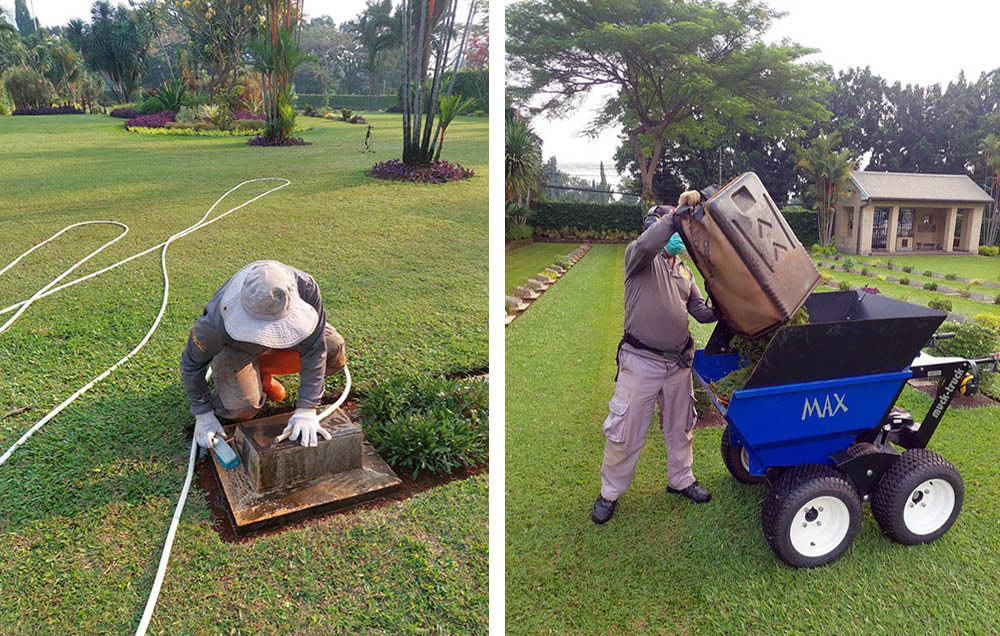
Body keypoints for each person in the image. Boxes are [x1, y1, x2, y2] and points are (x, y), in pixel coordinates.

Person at [591, 190, 719, 525]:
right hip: (640, 360)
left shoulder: (684, 272)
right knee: (627, 429)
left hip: (677, 364)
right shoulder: (639, 258)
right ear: (658, 227)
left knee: (681, 426)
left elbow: (700, 313)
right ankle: (609, 492)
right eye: (671, 230)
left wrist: (721, 305)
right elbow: (650, 243)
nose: (676, 238)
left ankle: (681, 479)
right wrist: (675, 215)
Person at [180, 260, 347, 450]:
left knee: (333, 349)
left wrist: (307, 408)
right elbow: (191, 364)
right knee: (240, 409)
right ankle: (247, 373)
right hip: (238, 349)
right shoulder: (215, 323)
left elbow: (314, 349)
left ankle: (263, 369)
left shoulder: (306, 287)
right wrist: (203, 415)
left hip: (292, 337)